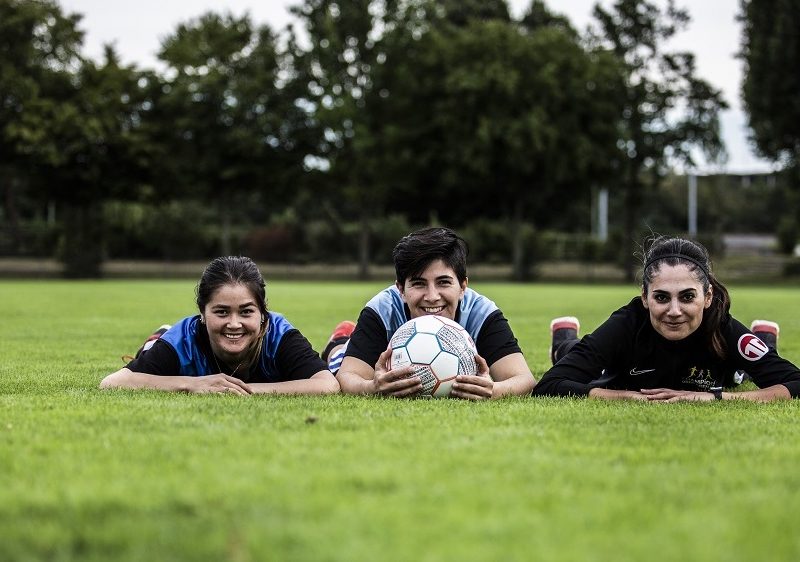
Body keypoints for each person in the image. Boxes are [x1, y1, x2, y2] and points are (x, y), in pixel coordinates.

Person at [533, 236, 800, 402]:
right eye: (661, 298)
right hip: (613, 364)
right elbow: (549, 385)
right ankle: (564, 339)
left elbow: (795, 383)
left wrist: (712, 397)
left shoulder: (720, 325)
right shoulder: (627, 323)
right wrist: (624, 396)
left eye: (687, 297)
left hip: (724, 370)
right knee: (578, 357)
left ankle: (764, 341)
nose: (674, 311)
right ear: (645, 297)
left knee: (744, 373)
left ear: (707, 297)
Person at [329, 227, 535, 399]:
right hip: (366, 344)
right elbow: (347, 377)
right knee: (338, 360)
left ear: (463, 286)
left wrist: (495, 390)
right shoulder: (382, 310)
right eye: (419, 284)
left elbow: (524, 380)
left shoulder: (481, 312)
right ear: (400, 289)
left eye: (443, 282)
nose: (432, 296)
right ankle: (339, 342)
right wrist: (371, 388)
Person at [100, 256, 339, 395]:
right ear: (202, 314)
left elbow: (327, 384)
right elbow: (112, 383)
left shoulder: (279, 335)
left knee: (338, 356)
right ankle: (157, 337)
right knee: (151, 352)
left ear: (263, 313)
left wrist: (245, 390)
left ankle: (337, 342)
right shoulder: (183, 339)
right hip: (170, 341)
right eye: (221, 312)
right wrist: (193, 384)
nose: (234, 324)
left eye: (246, 312)